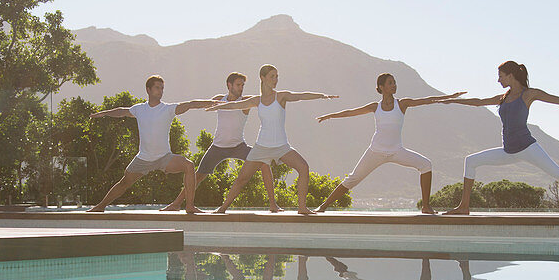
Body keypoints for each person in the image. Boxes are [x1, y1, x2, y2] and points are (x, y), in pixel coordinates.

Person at [442, 61, 559, 215]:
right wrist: (451, 100)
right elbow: (478, 101)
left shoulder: (529, 94)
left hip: (528, 148)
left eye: (501, 76)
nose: (498, 80)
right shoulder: (503, 98)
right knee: (470, 161)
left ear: (510, 76)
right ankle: (464, 206)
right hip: (508, 151)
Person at [314, 74, 465, 213]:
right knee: (352, 179)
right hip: (375, 151)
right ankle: (323, 206)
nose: (394, 85)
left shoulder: (402, 104)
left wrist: (449, 97)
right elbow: (350, 112)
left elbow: (426, 100)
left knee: (426, 165)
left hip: (397, 151)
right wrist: (330, 116)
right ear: (381, 87)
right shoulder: (375, 107)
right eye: (390, 83)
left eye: (394, 83)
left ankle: (426, 206)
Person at [206, 65, 337, 215]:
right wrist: (217, 107)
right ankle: (222, 209)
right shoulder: (257, 100)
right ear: (262, 78)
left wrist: (322, 95)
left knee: (303, 168)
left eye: (277, 76)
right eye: (272, 77)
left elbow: (300, 95)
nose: (275, 80)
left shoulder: (281, 97)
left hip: (281, 146)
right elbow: (236, 105)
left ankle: (302, 208)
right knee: (242, 179)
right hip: (261, 147)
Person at [87, 75, 216, 213]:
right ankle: (100, 206)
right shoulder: (139, 109)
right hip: (144, 158)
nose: (160, 91)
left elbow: (191, 104)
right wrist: (104, 113)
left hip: (164, 158)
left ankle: (189, 206)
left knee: (189, 165)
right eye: (157, 88)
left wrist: (212, 103)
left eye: (162, 88)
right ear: (148, 90)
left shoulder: (168, 109)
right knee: (124, 182)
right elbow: (121, 111)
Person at [163, 71, 280, 213]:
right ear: (229, 85)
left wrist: (269, 83)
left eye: (242, 85)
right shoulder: (219, 99)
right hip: (217, 147)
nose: (241, 88)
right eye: (238, 85)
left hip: (238, 146)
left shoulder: (246, 102)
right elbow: (205, 104)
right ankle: (176, 203)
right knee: (198, 175)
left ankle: (273, 204)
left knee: (264, 163)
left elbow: (264, 98)